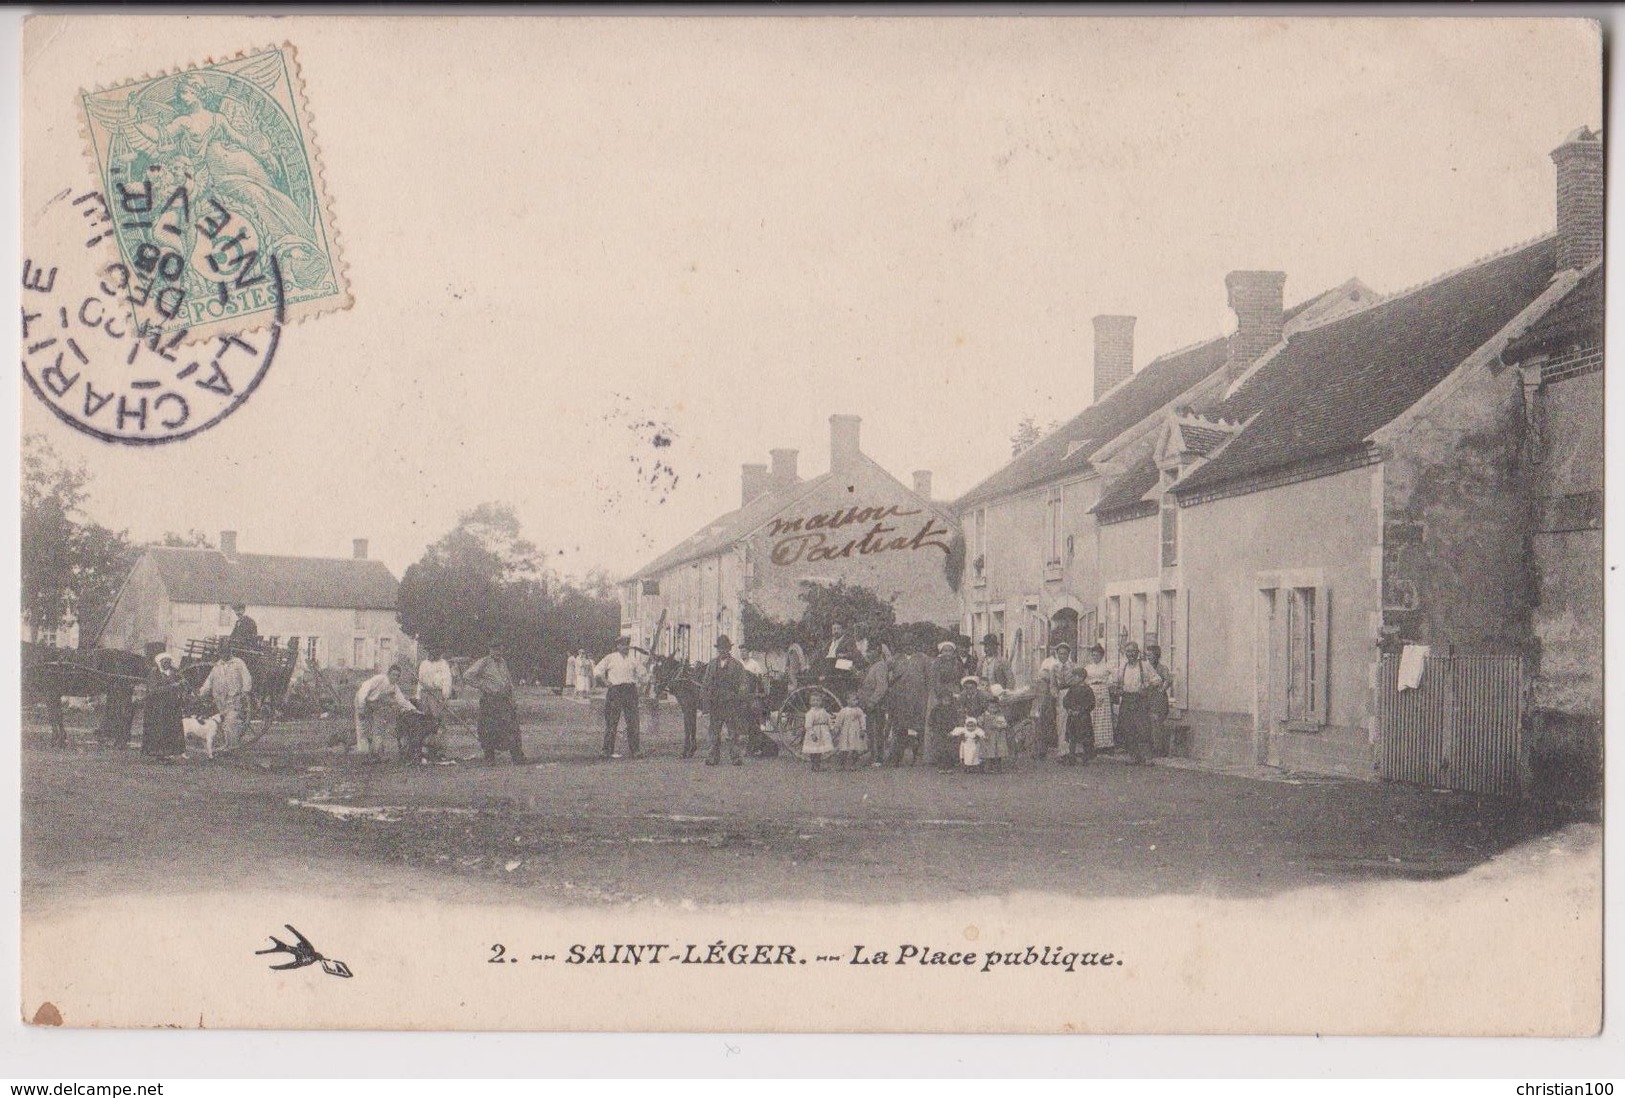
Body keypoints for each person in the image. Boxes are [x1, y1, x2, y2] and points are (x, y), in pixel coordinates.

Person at [464, 643, 525, 763]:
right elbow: (467, 676)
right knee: (488, 729)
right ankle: (489, 757)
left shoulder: (503, 662)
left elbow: (508, 681)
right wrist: (482, 685)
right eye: (495, 650)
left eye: (500, 650)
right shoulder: (484, 662)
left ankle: (517, 756)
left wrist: (513, 699)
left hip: (504, 700)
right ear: (490, 650)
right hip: (490, 700)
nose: (498, 652)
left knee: (511, 728)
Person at [700, 635, 751, 767]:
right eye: (720, 649)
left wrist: (739, 697)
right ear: (718, 650)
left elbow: (744, 683)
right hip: (716, 703)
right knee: (714, 732)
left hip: (730, 703)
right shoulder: (712, 664)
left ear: (729, 649)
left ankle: (735, 757)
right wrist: (706, 701)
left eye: (725, 648)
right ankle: (713, 756)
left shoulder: (736, 665)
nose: (723, 651)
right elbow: (706, 683)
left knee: (733, 732)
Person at [1114, 641, 1166, 765]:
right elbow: (1115, 681)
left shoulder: (1145, 665)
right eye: (1128, 651)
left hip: (1140, 699)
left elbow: (1158, 680)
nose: (1130, 654)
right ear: (1125, 653)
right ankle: (1134, 756)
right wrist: (1117, 688)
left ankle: (1147, 758)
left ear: (1138, 652)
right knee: (1127, 728)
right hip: (1126, 699)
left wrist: (1147, 686)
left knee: (1143, 728)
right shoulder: (1123, 667)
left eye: (1133, 651)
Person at [594, 636, 646, 759]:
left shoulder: (633, 660)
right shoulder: (610, 658)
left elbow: (643, 674)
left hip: (630, 691)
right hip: (615, 691)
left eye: (627, 645)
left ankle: (635, 750)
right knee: (612, 721)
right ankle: (607, 750)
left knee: (633, 722)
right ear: (618, 646)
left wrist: (641, 685)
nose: (625, 647)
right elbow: (597, 670)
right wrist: (605, 681)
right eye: (623, 645)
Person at [354, 665, 419, 760]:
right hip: (362, 699)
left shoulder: (394, 687)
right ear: (388, 674)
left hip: (374, 704)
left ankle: (373, 752)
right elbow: (364, 689)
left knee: (376, 727)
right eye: (393, 675)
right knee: (363, 726)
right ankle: (363, 752)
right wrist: (361, 708)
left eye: (397, 676)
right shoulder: (379, 679)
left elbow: (401, 701)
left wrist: (413, 709)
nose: (395, 677)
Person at [885, 640, 929, 766]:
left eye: (911, 644)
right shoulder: (896, 658)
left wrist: (926, 696)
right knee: (899, 728)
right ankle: (896, 757)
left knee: (918, 728)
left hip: (918, 698)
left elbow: (928, 678)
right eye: (906, 644)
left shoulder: (923, 659)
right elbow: (884, 670)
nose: (909, 647)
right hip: (901, 699)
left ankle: (918, 756)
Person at [199, 645, 252, 750]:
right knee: (222, 723)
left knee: (232, 721)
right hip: (220, 699)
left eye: (226, 653)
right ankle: (225, 744)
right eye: (221, 653)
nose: (223, 655)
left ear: (230, 653)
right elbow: (209, 681)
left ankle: (233, 746)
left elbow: (246, 677)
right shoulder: (217, 665)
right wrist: (202, 692)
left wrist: (245, 691)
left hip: (234, 698)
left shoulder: (238, 663)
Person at [140, 652, 186, 761]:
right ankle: (157, 752)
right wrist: (171, 687)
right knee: (158, 729)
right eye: (164, 662)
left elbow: (183, 684)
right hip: (157, 707)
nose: (167, 664)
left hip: (172, 707)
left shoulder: (176, 673)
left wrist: (182, 688)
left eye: (168, 661)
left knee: (172, 729)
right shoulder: (154, 674)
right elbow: (153, 690)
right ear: (159, 663)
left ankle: (170, 752)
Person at [415, 646, 455, 761]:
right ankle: (425, 750)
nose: (433, 653)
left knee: (439, 722)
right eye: (431, 651)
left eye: (435, 650)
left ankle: (440, 750)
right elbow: (420, 681)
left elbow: (447, 681)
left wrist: (445, 697)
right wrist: (418, 696)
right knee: (426, 722)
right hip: (424, 695)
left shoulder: (443, 664)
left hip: (437, 695)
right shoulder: (424, 664)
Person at [856, 645, 893, 767]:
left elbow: (882, 687)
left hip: (877, 705)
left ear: (877, 652)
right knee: (872, 731)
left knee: (876, 731)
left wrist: (872, 701)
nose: (867, 654)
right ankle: (874, 757)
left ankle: (878, 758)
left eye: (869, 651)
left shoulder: (880, 666)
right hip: (871, 704)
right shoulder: (872, 666)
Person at [1036, 642, 1073, 760]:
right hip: (1060, 695)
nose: (1063, 656)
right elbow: (1052, 684)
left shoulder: (1073, 666)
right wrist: (1055, 694)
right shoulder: (1054, 667)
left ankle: (1074, 751)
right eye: (1060, 653)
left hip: (1072, 694)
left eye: (1065, 654)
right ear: (1057, 654)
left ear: (1068, 654)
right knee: (1061, 723)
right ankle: (1063, 752)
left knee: (1072, 722)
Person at [1083, 644, 1116, 755]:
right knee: (1092, 715)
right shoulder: (1088, 667)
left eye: (1097, 655)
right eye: (1093, 655)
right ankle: (1092, 743)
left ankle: (1104, 744)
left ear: (1102, 655)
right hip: (1091, 690)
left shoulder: (1106, 666)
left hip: (1102, 689)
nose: (1095, 657)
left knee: (1103, 717)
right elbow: (1084, 678)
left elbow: (1115, 675)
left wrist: (1109, 683)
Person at [1144, 643, 1175, 758]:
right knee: (1148, 723)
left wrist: (1162, 689)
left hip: (1158, 699)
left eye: (1151, 655)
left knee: (1157, 722)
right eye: (1147, 655)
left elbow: (1168, 680)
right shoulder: (1145, 667)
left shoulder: (1162, 668)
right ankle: (1150, 747)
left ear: (1157, 655)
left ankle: (1159, 749)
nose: (1149, 657)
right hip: (1148, 698)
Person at [1061, 671, 1097, 766]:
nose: (1074, 678)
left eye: (1076, 676)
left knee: (1085, 738)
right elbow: (1066, 700)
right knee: (1072, 738)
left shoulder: (1088, 690)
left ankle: (1086, 758)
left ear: (1081, 677)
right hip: (1072, 717)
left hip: (1083, 718)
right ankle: (1071, 757)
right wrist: (1068, 709)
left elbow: (1091, 703)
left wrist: (1080, 711)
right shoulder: (1072, 689)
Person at [833, 692, 868, 770]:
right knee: (844, 748)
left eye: (856, 700)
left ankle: (853, 765)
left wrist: (863, 729)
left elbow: (862, 720)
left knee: (855, 748)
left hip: (855, 731)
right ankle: (841, 765)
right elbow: (839, 720)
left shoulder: (859, 710)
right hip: (845, 732)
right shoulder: (843, 711)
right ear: (847, 700)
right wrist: (837, 728)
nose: (856, 702)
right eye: (853, 700)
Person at [982, 683, 1013, 772]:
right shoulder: (985, 715)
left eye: (995, 707)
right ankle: (988, 767)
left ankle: (998, 767)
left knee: (998, 752)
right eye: (991, 707)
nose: (993, 709)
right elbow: (980, 721)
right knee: (989, 752)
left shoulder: (999, 715)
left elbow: (1004, 724)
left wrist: (998, 725)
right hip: (989, 736)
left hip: (998, 736)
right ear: (988, 708)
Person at [802, 693, 835, 771]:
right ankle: (814, 765)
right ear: (810, 702)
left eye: (818, 700)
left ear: (821, 701)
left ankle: (817, 765)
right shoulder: (810, 713)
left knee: (819, 750)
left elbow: (828, 720)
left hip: (823, 732)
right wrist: (812, 734)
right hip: (815, 733)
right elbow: (808, 725)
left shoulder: (823, 711)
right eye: (813, 700)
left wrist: (831, 727)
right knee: (813, 750)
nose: (816, 702)